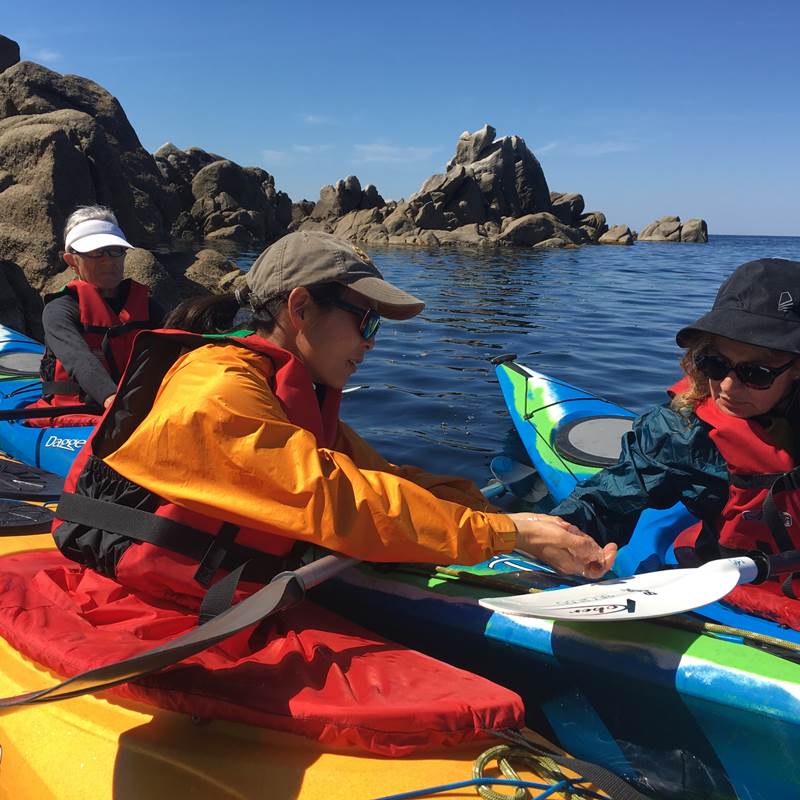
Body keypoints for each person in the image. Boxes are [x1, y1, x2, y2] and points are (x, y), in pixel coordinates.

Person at [544, 258, 800, 628]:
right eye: (715, 364)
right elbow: (606, 501)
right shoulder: (680, 432)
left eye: (754, 373)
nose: (727, 386)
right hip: (739, 590)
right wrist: (551, 534)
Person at [27, 205, 162, 427]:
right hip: (78, 414)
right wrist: (113, 401)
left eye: (115, 250)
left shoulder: (150, 307)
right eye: (96, 252)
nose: (108, 260)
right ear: (72, 261)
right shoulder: (60, 310)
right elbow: (80, 361)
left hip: (137, 410)